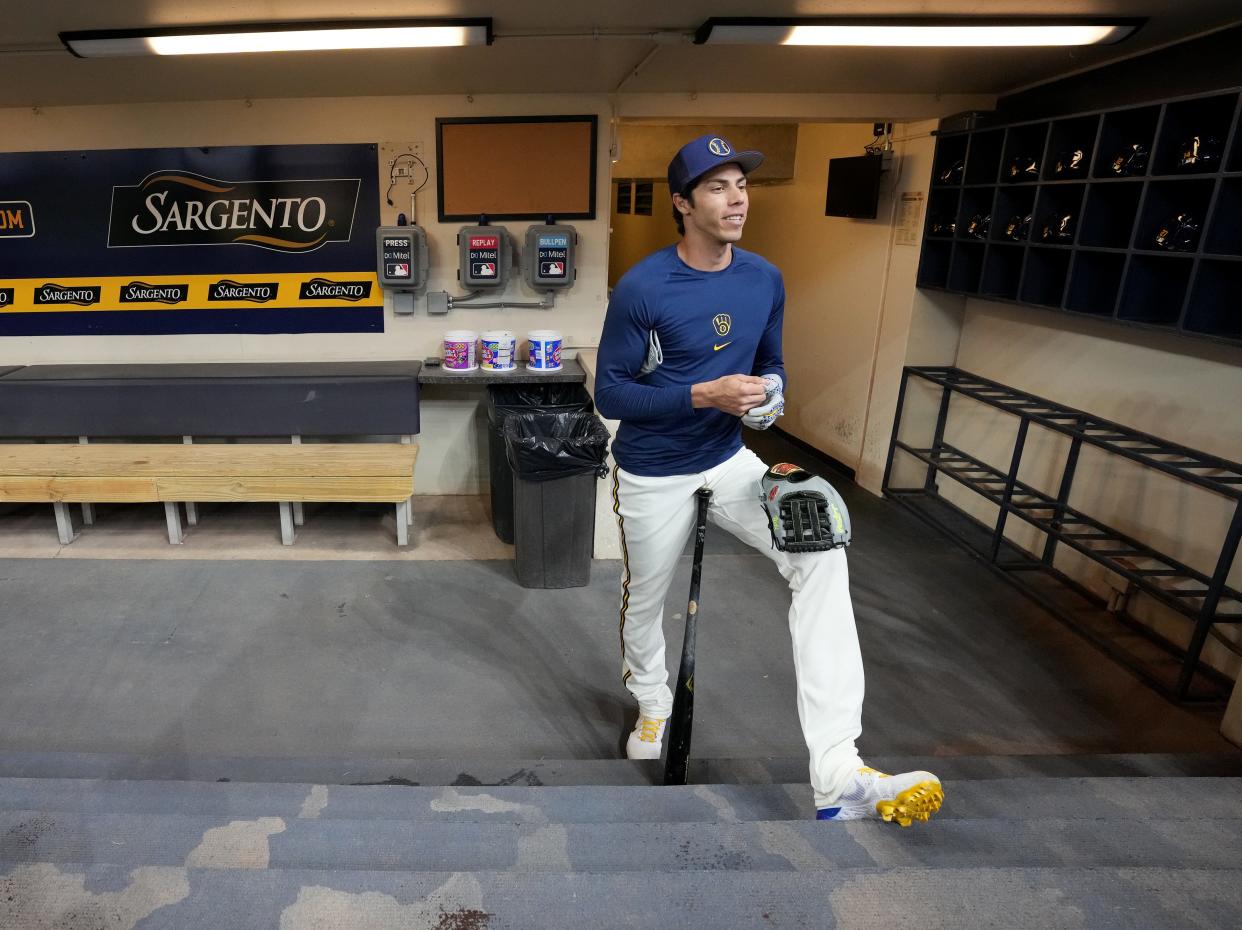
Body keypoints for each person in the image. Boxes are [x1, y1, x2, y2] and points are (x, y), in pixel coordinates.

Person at [592, 133, 943, 825]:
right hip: (654, 468)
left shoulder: (764, 278)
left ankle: (839, 767)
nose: (737, 198)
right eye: (718, 187)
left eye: (742, 185)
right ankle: (654, 705)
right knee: (644, 601)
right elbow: (611, 395)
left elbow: (773, 360)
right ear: (683, 204)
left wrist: (772, 393)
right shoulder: (644, 287)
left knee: (821, 555)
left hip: (728, 462)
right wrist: (702, 396)